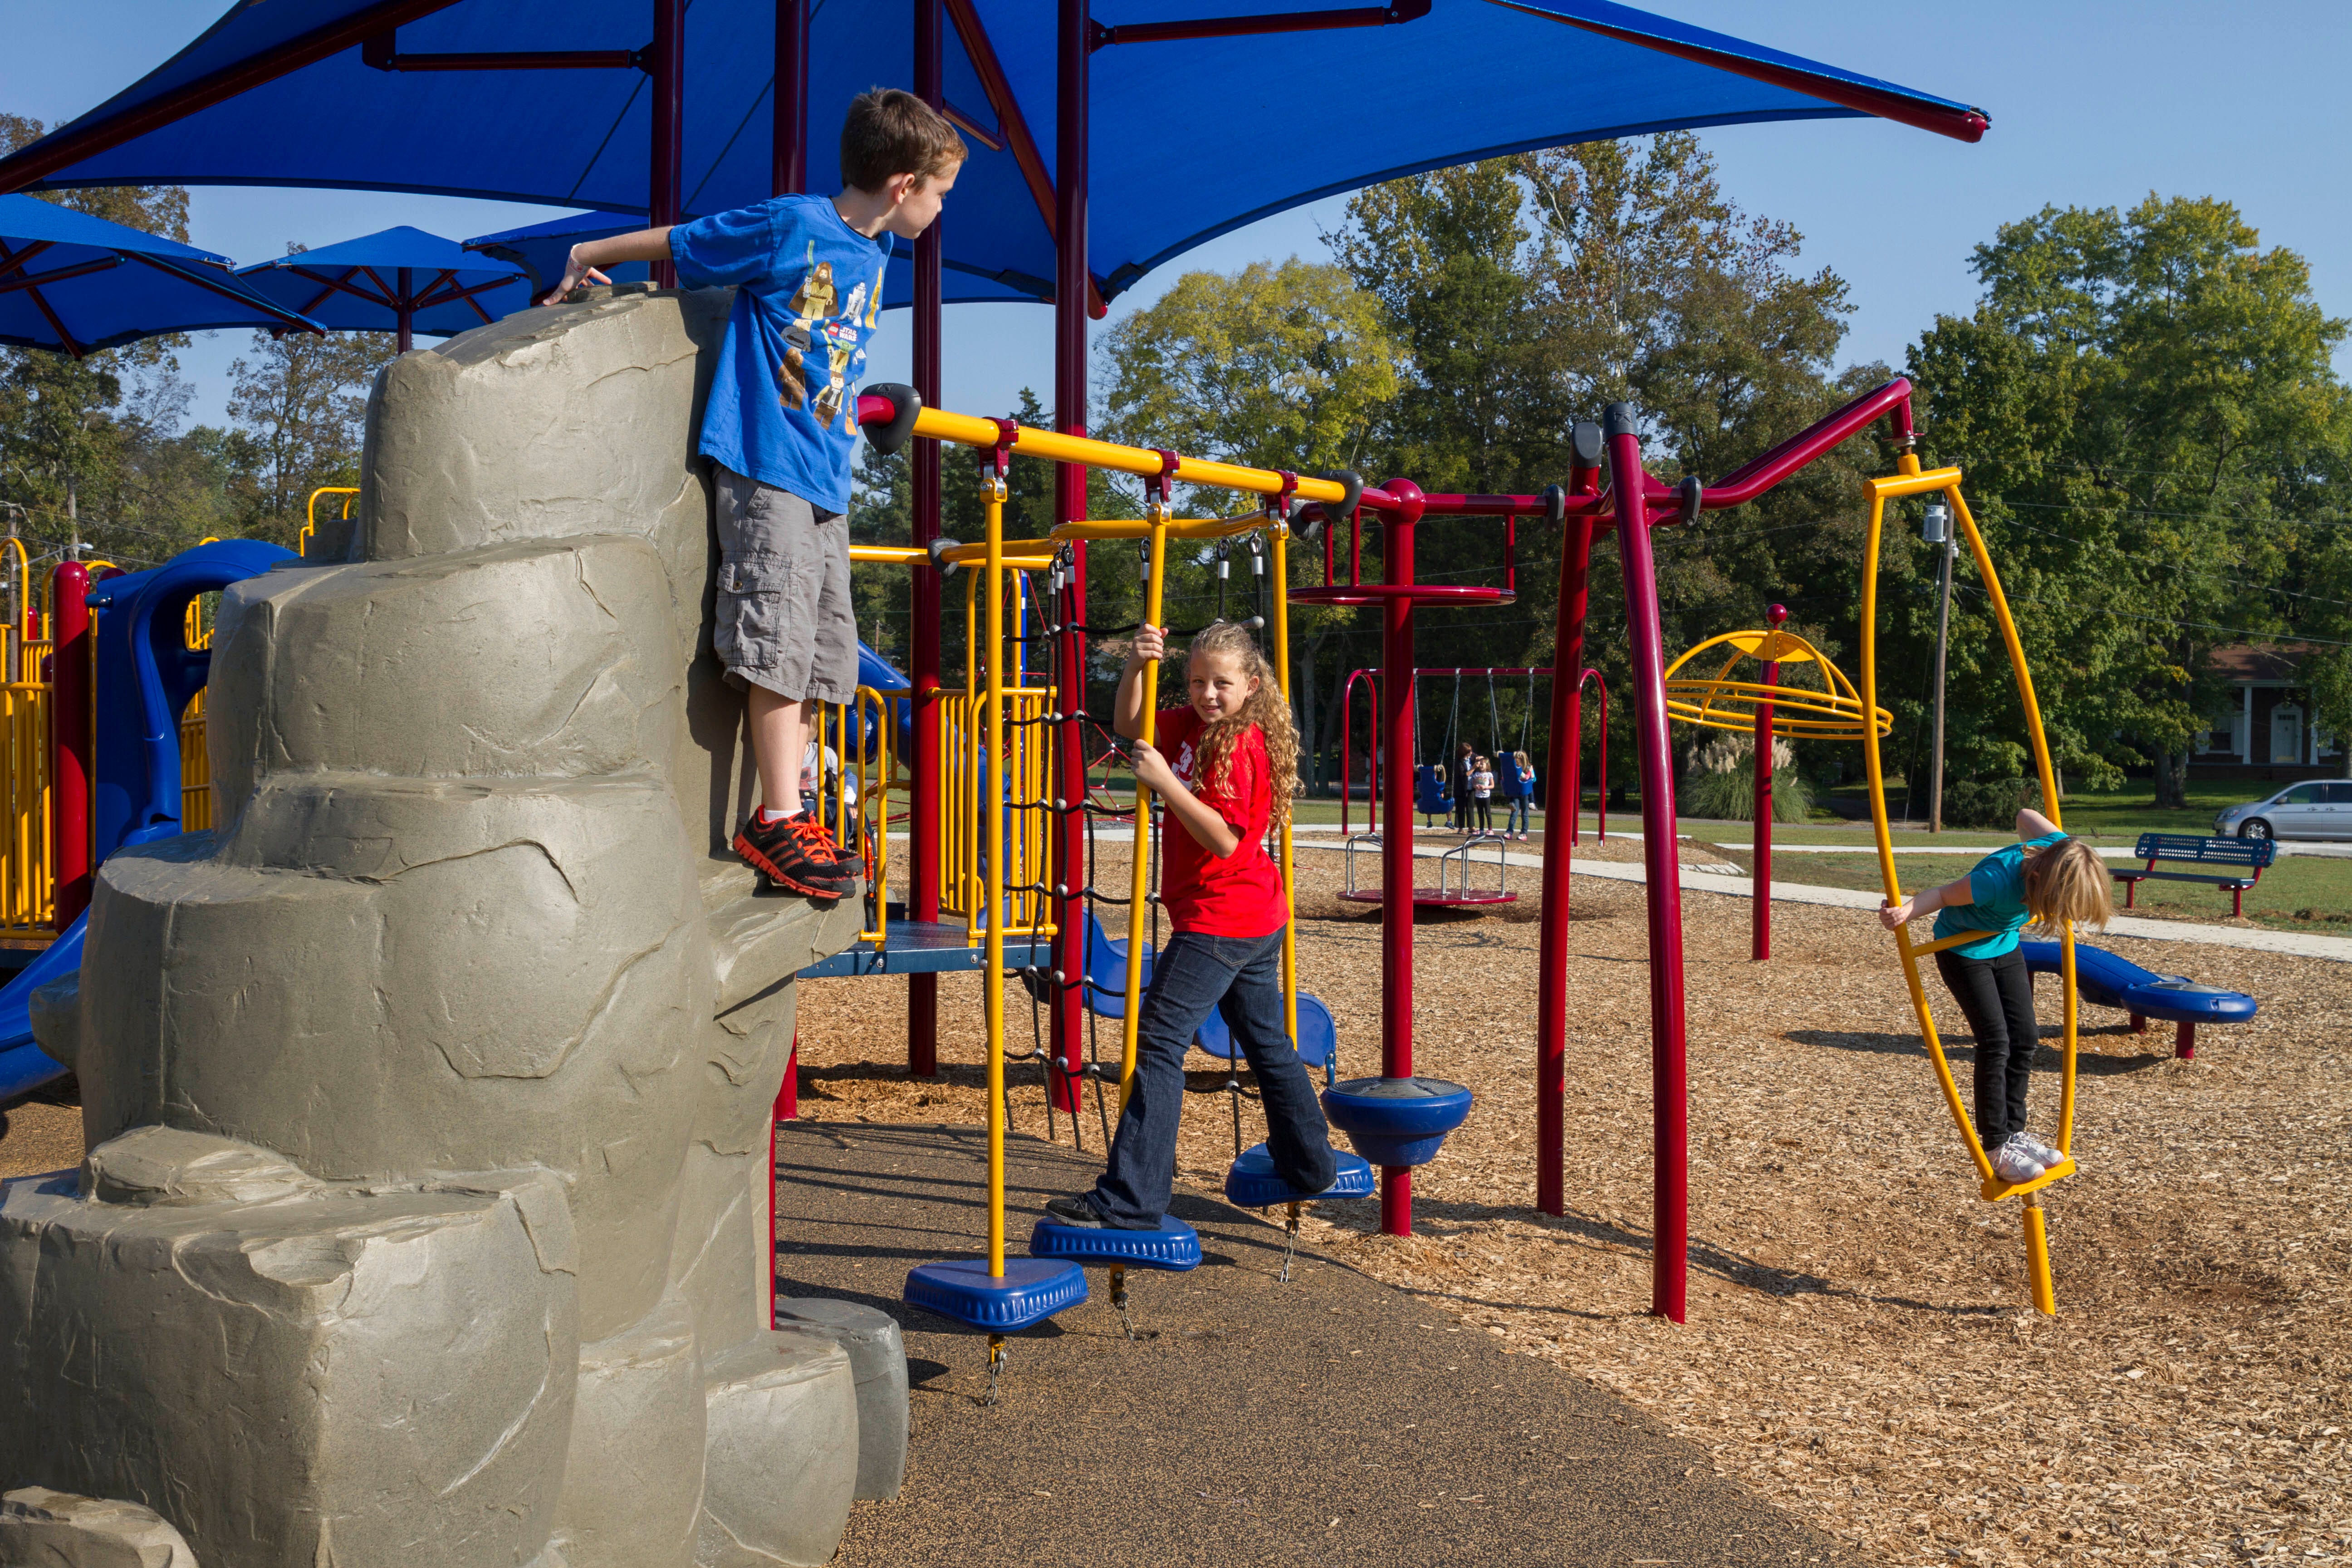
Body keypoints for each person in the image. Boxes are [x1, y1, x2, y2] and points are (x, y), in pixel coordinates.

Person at [539, 89, 965, 900]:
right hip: (767, 466)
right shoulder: (794, 226)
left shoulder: (873, 254)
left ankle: (794, 804)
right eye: (941, 192)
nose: (942, 209)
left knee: (817, 656)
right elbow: (688, 240)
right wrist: (592, 249)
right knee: (774, 640)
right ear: (905, 183)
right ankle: (773, 814)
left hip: (824, 479)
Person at [1047, 620, 1339, 1229]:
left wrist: (1166, 785)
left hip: (1223, 918)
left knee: (1158, 1041)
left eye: (1223, 684)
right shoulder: (1188, 725)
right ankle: (1310, 1164)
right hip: (1250, 916)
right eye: (1199, 680)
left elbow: (1228, 840)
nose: (1209, 694)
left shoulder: (1241, 745)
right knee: (1265, 1043)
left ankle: (1132, 1199)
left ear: (1251, 686)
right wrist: (1134, 663)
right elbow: (1130, 724)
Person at [1877, 807, 2113, 1185]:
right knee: (1996, 1042)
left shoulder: (2058, 847)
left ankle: (2016, 1133)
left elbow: (2023, 814)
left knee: (2025, 1038)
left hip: (2004, 945)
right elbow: (1940, 895)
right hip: (1964, 951)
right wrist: (1905, 912)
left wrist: (2030, 839)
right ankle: (1997, 1144)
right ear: (2038, 878)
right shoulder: (1994, 881)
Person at [1509, 748, 1538, 840]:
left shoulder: (1528, 768)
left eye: (1519, 764)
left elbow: (1533, 779)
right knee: (1514, 812)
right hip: (1516, 793)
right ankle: (1509, 832)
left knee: (1525, 814)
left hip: (1525, 794)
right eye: (1516, 764)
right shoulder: (1515, 769)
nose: (1518, 766)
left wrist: (1530, 775)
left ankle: (1524, 833)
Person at [1452, 741, 1477, 834]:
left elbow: (1476, 756)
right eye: (1469, 752)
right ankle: (1461, 828)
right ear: (1464, 753)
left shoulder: (1470, 758)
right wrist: (1474, 768)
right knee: (1461, 808)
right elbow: (1465, 774)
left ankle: (1471, 826)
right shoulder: (1459, 762)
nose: (1471, 753)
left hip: (1471, 787)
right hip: (1461, 788)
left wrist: (1480, 758)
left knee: (1470, 807)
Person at [1471, 755, 1495, 835]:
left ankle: (1490, 829)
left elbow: (1492, 786)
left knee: (1488, 813)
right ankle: (1481, 829)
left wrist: (1485, 787)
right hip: (1478, 796)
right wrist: (1476, 787)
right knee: (1480, 813)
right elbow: (1474, 784)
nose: (1481, 766)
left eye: (1483, 764)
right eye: (1480, 764)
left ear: (1487, 765)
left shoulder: (1489, 775)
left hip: (1486, 796)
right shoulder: (1477, 774)